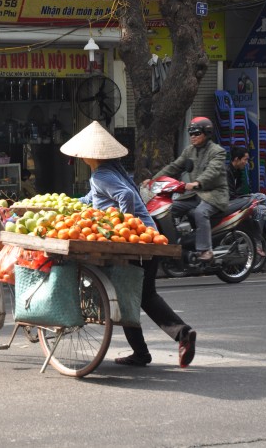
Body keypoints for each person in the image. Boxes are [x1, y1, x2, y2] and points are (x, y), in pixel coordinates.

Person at [62, 121, 196, 368]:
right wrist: (61, 204)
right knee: (144, 296)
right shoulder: (107, 173)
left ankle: (147, 349)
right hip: (149, 240)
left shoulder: (102, 175)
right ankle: (176, 336)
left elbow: (124, 196)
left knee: (124, 297)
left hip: (138, 242)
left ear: (89, 155)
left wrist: (124, 226)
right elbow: (89, 200)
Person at [143, 117, 228, 262]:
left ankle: (206, 250)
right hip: (195, 194)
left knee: (201, 213)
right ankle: (178, 243)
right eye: (191, 134)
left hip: (214, 193)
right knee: (170, 209)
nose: (193, 137)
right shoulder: (189, 151)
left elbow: (212, 171)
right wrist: (153, 180)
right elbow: (174, 167)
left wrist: (197, 183)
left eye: (196, 133)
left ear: (207, 134)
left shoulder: (217, 151)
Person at [227, 146, 266, 255]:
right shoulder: (227, 172)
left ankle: (255, 243)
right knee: (261, 196)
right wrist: (247, 200)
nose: (247, 163)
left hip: (236, 200)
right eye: (245, 159)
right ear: (236, 159)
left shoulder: (238, 172)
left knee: (262, 210)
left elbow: (238, 193)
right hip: (230, 202)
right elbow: (231, 196)